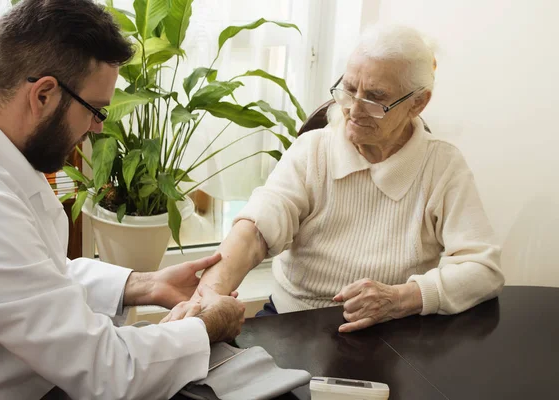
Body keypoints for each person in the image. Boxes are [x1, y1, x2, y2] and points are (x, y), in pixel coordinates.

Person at [0, 1, 245, 399]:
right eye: (96, 110)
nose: (97, 127)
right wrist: (206, 326)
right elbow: (108, 371)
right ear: (43, 95)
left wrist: (144, 284)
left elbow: (35, 274)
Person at [163, 24, 505, 332]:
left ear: (418, 104)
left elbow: (482, 269)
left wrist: (403, 298)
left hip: (395, 332)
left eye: (375, 98)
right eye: (348, 89)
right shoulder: (313, 150)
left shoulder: (442, 165)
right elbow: (255, 229)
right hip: (294, 322)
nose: (353, 111)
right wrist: (208, 296)